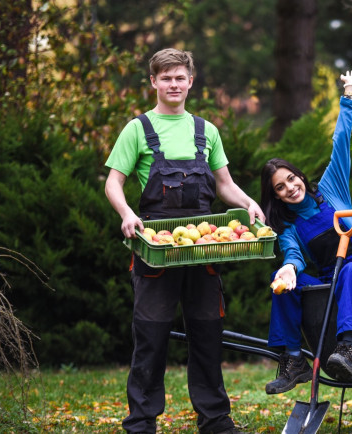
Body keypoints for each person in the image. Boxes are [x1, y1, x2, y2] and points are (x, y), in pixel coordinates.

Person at [105, 48, 263, 434]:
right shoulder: (137, 129)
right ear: (154, 82)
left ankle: (215, 420)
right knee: (151, 337)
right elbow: (114, 183)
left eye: (180, 78)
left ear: (190, 82)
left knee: (207, 335)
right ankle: (141, 422)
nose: (173, 84)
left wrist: (248, 203)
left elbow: (224, 184)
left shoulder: (205, 130)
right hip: (156, 247)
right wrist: (127, 213)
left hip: (207, 244)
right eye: (166, 78)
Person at [259, 70, 352, 395]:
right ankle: (294, 359)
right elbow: (294, 255)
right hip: (330, 281)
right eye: (280, 188)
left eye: (291, 179)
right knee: (282, 284)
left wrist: (350, 95)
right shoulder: (288, 226)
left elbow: (340, 142)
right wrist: (288, 269)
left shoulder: (331, 189)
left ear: (299, 175)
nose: (290, 188)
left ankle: (346, 349)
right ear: (275, 196)